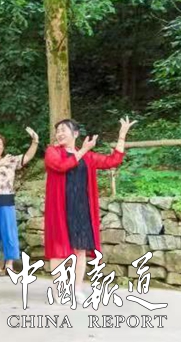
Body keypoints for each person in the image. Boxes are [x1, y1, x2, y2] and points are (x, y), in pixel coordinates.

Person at [44, 116, 136, 303]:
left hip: (81, 209)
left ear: (75, 133)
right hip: (60, 209)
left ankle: (77, 289)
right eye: (57, 131)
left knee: (80, 251)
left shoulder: (87, 156)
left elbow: (112, 161)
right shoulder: (52, 152)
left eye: (63, 130)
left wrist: (122, 136)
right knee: (58, 251)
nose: (59, 134)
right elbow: (61, 166)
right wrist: (83, 150)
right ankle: (60, 291)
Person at [0, 127, 39, 276]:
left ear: (3, 147)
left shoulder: (11, 160)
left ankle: (9, 264)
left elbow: (27, 157)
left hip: (7, 200)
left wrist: (35, 142)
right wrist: (0, 163)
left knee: (9, 232)